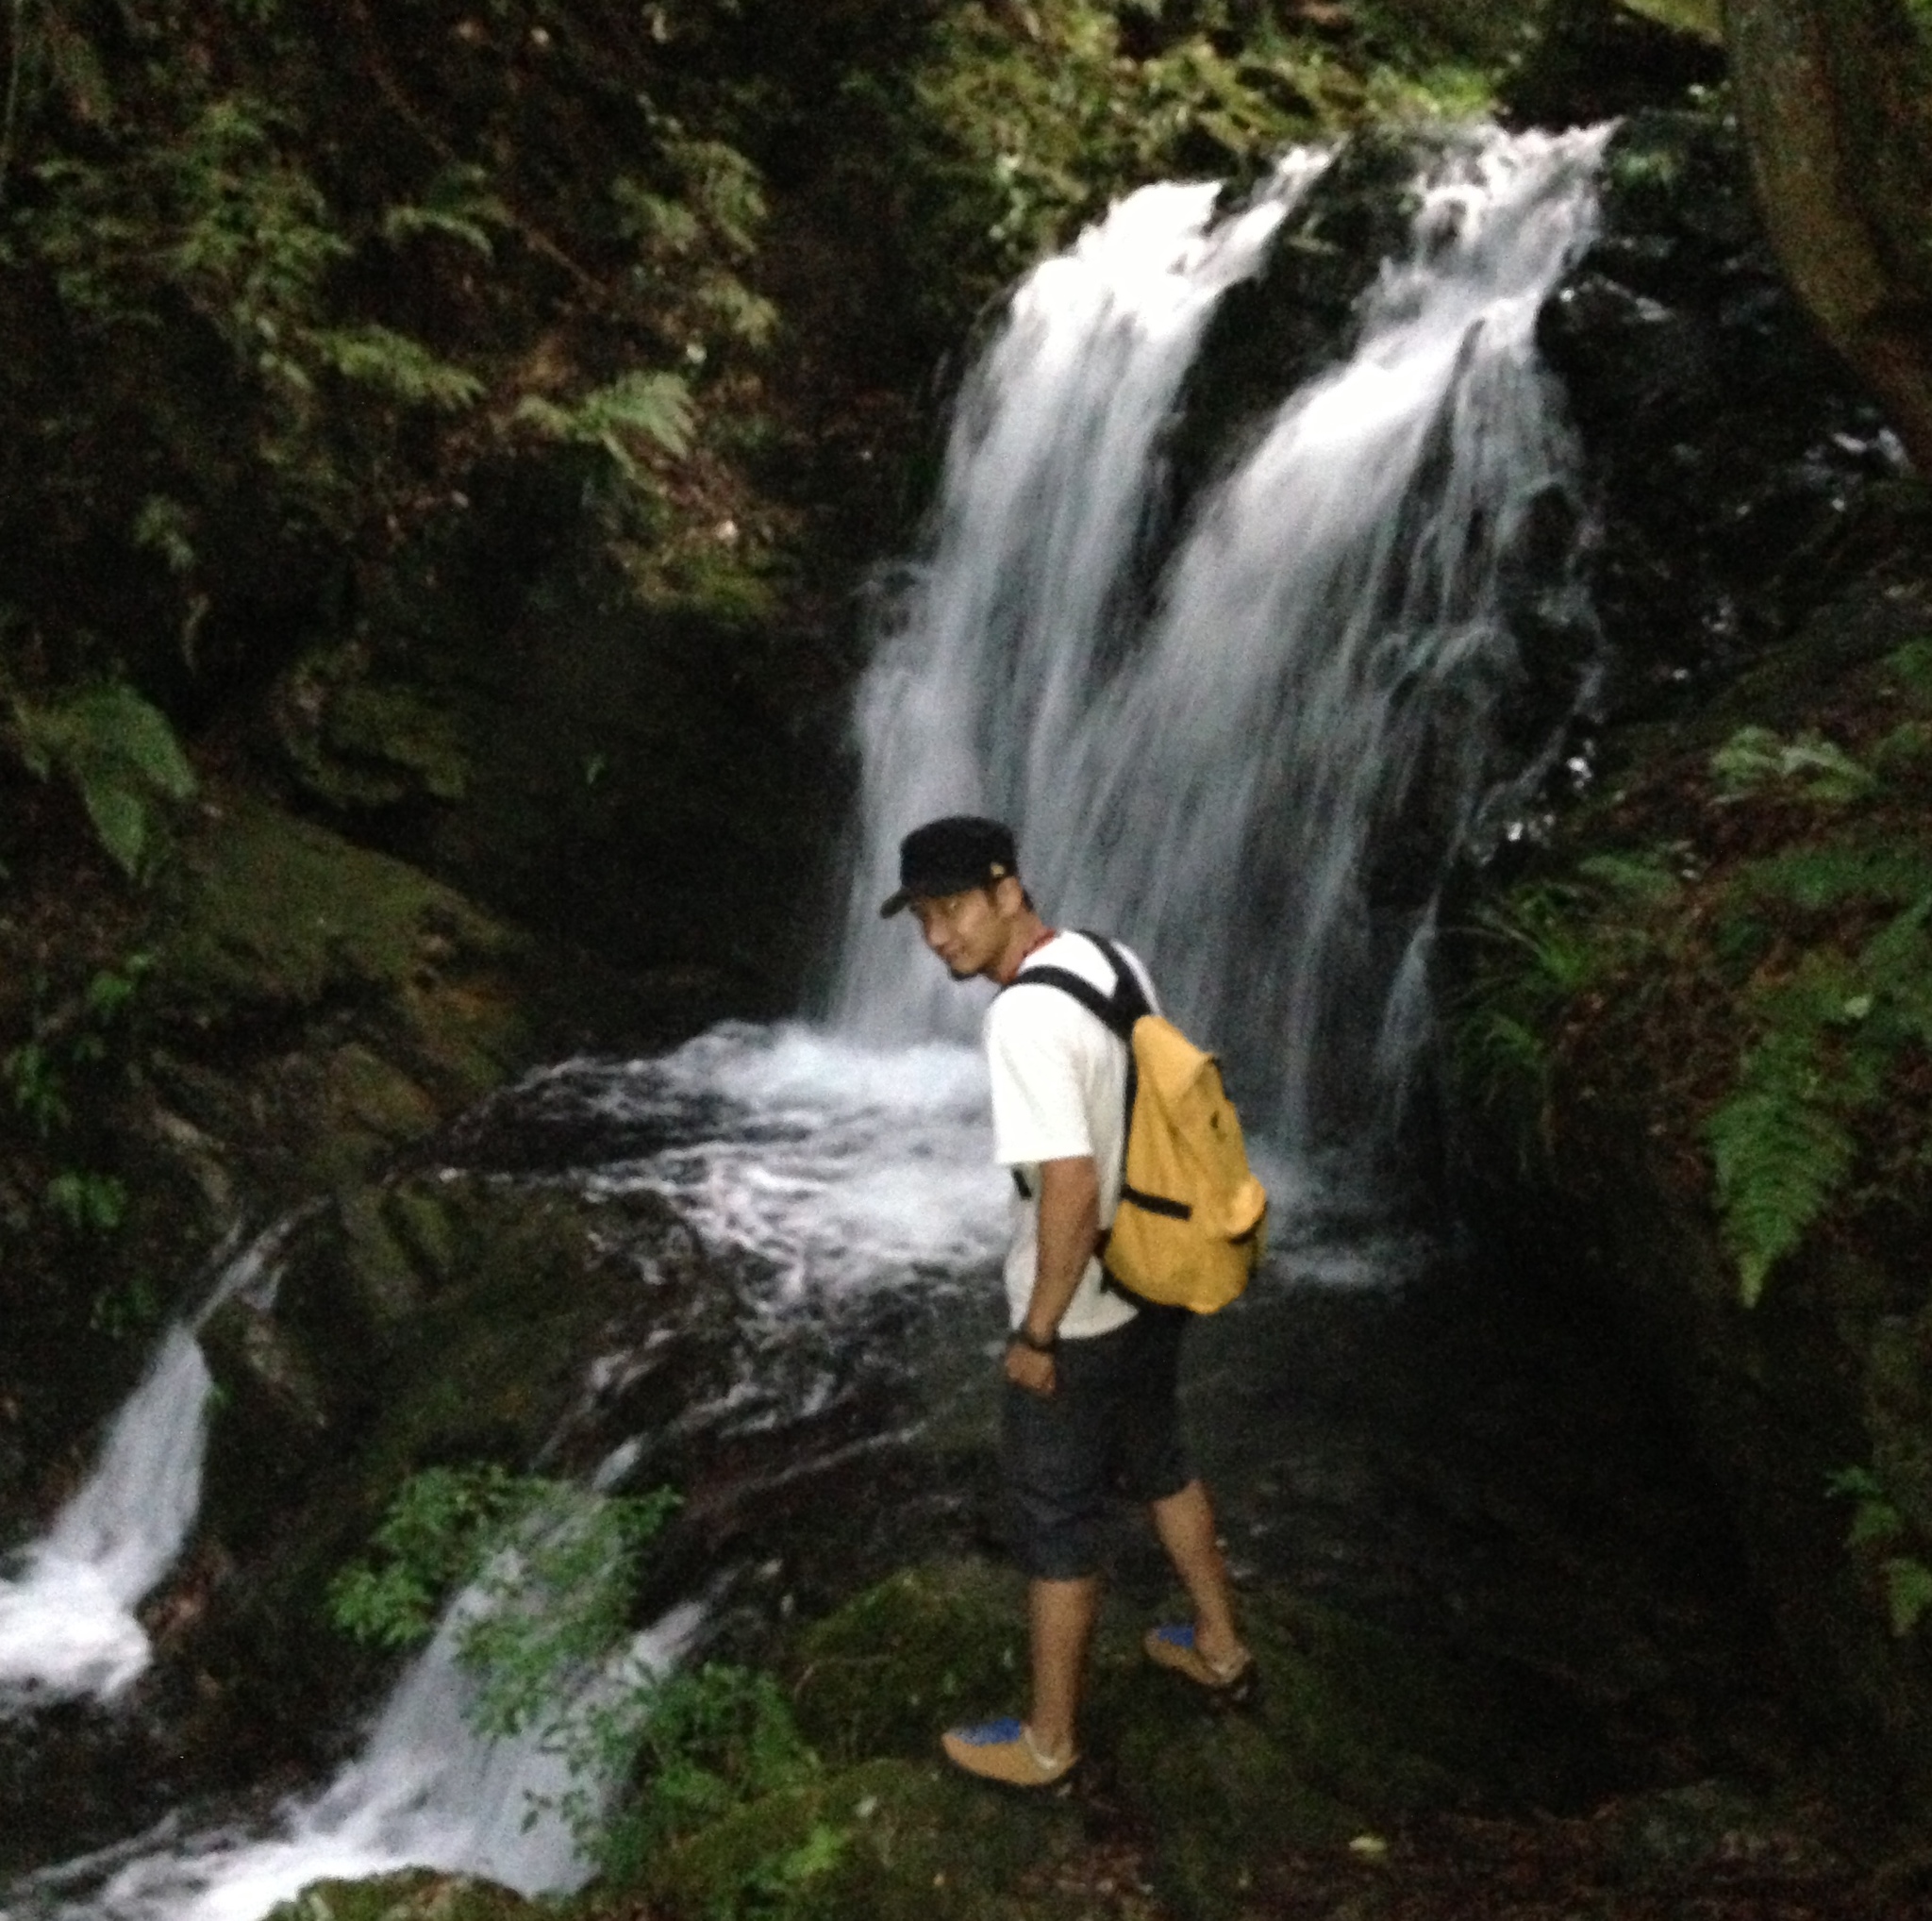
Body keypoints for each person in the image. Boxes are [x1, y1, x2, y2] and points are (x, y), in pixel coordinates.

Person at [880, 813, 1251, 1789]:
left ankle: (1047, 1741)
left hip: (1082, 1306)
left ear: (1007, 891)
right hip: (1152, 1268)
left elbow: (1070, 1187)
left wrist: (1036, 1330)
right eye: (921, 917)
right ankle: (1218, 1643)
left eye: (952, 908)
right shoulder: (1103, 956)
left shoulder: (1020, 1020)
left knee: (1054, 1520)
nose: (937, 938)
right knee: (1160, 1454)